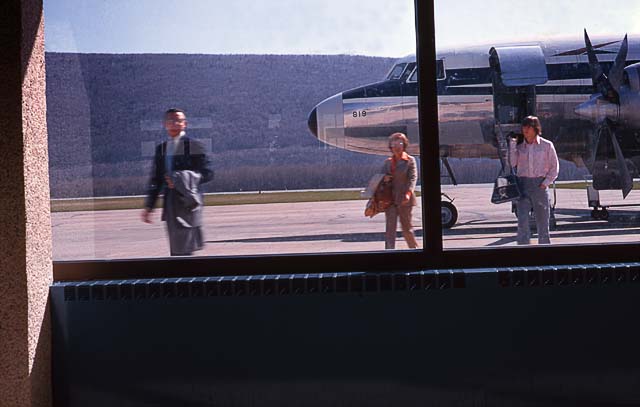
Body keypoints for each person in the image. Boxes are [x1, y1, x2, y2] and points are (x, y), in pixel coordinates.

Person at [141, 108, 213, 255]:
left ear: (184, 124)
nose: (175, 123)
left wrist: (183, 178)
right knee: (176, 248)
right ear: (165, 124)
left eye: (178, 120)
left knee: (186, 248)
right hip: (170, 204)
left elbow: (208, 173)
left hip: (188, 202)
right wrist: (149, 207)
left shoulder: (194, 146)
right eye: (171, 120)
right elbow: (156, 179)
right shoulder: (162, 149)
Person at [509, 115, 559, 245]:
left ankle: (544, 251)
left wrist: (545, 183)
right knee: (522, 222)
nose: (525, 130)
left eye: (528, 127)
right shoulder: (520, 147)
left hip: (539, 185)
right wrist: (513, 145)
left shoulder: (547, 145)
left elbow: (554, 167)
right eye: (523, 127)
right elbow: (512, 163)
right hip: (523, 185)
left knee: (543, 222)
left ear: (535, 129)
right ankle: (524, 251)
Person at [381, 132, 419, 250]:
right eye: (394, 144)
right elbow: (380, 178)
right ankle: (389, 253)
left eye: (400, 143)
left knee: (407, 229)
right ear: (391, 146)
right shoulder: (387, 162)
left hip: (405, 200)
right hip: (390, 200)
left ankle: (415, 251)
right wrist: (385, 179)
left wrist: (408, 193)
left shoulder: (409, 160)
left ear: (404, 145)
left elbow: (413, 178)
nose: (397, 147)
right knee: (390, 231)